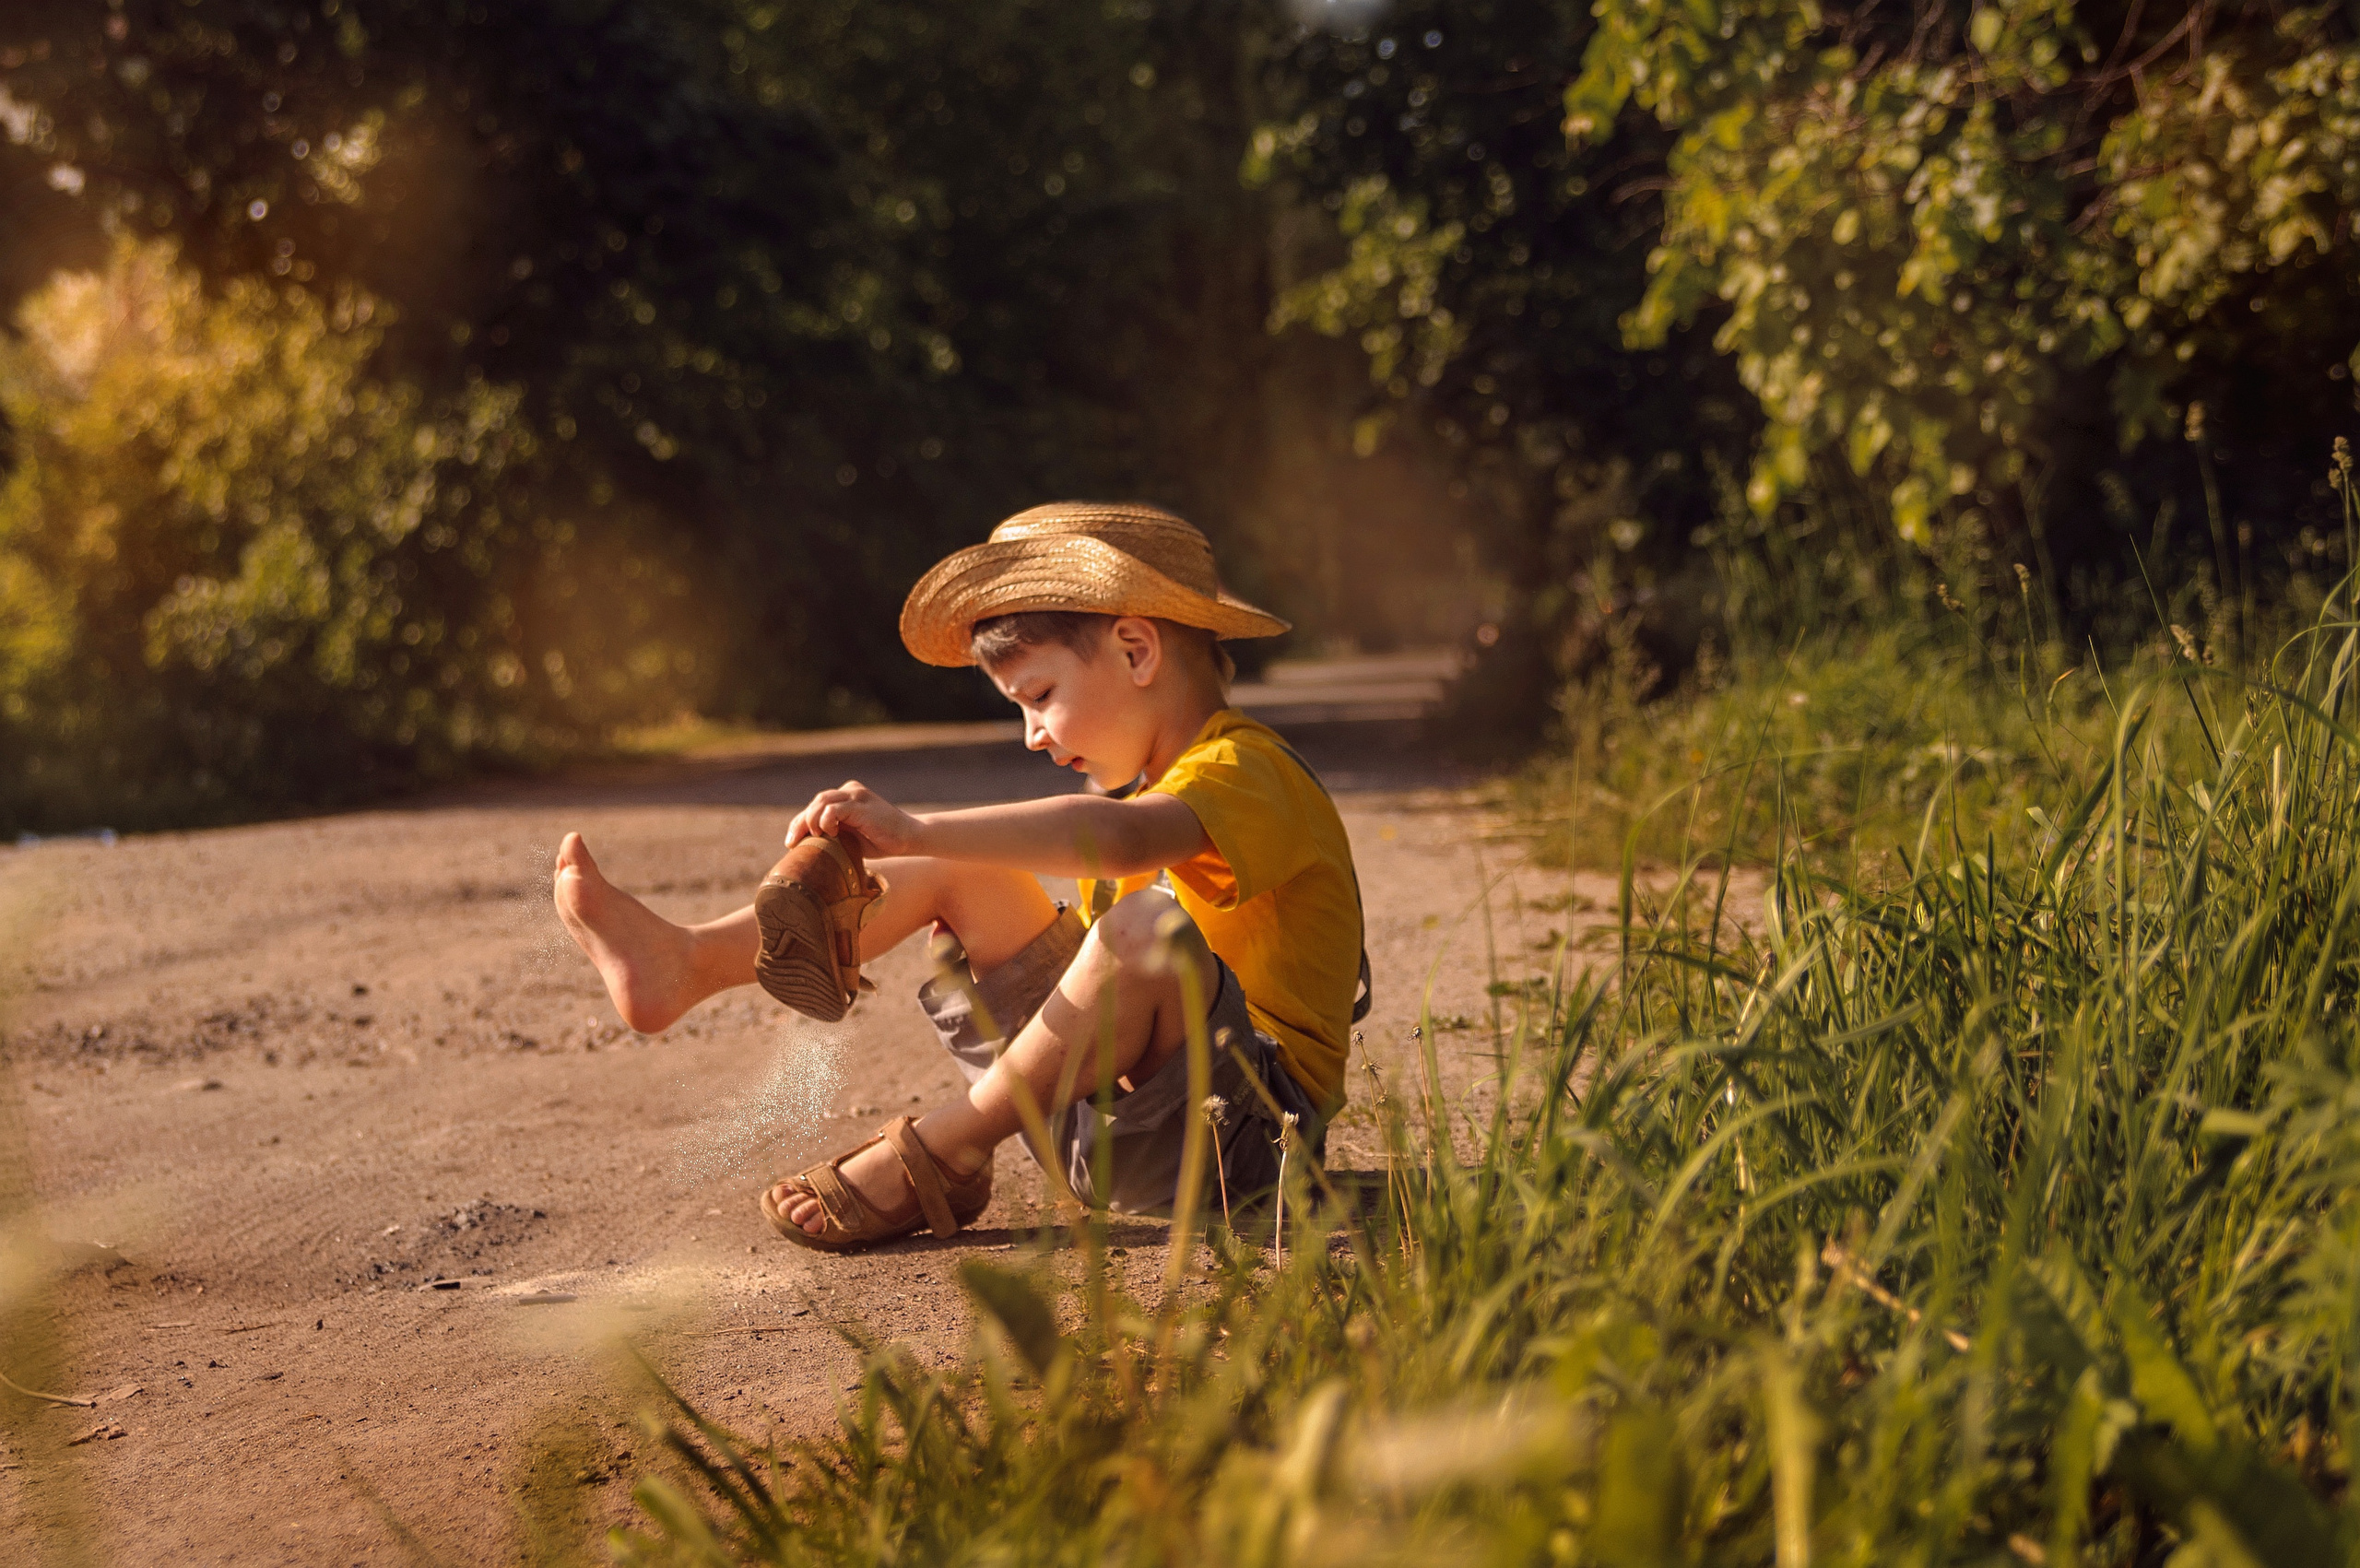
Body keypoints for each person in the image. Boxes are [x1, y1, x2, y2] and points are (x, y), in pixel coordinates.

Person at [551, 501, 1365, 1251]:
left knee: (1144, 929)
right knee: (961, 863)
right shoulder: (1153, 786)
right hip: (1106, 1115)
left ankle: (949, 1144)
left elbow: (1120, 840)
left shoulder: (1248, 769)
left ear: (1136, 649)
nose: (1031, 734)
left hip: (1246, 1143)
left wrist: (913, 827)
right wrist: (932, 873)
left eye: (1039, 695)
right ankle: (687, 962)